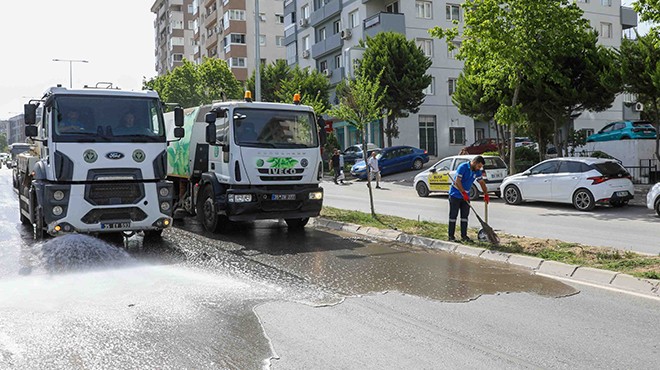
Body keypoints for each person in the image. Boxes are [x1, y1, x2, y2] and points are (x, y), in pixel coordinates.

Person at [448, 155, 489, 242]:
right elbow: (457, 181)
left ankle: (464, 236)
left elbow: (481, 182)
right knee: (453, 216)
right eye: (479, 166)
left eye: (481, 167)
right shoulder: (463, 167)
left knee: (464, 217)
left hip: (465, 196)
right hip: (455, 195)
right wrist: (463, 192)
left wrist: (486, 194)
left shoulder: (477, 171)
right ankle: (451, 236)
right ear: (474, 163)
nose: (479, 168)